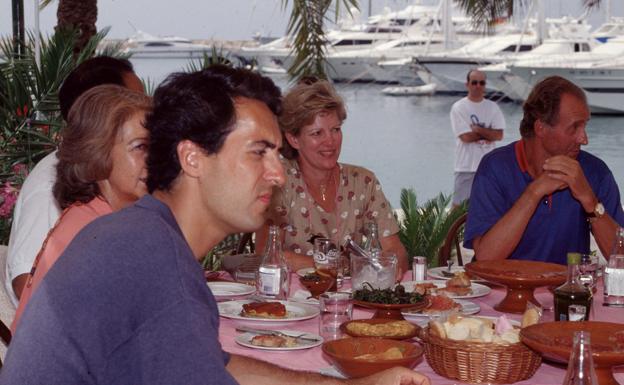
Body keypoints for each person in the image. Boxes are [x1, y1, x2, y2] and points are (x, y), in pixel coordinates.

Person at [0, 66, 430, 385]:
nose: (278, 174)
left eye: (277, 154)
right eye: (258, 152)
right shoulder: (149, 259)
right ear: (192, 159)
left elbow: (215, 364)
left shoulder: (146, 237)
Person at [11, 85, 151, 332]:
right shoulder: (98, 234)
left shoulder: (95, 215)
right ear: (98, 153)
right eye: (140, 147)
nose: (154, 158)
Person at [464, 76, 624, 264]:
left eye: (585, 125)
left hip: (567, 291)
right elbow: (486, 258)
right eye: (574, 127)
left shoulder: (595, 171)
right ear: (541, 128)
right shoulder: (495, 167)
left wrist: (590, 201)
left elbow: (621, 258)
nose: (584, 139)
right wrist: (533, 193)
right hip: (503, 291)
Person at [257, 80, 408, 274]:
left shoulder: (363, 182)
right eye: (317, 133)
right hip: (292, 301)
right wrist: (331, 266)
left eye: (335, 130)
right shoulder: (280, 183)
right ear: (293, 139)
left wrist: (389, 271)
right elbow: (266, 253)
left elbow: (396, 250)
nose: (330, 141)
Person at [450, 69, 505, 206]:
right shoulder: (459, 107)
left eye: (481, 83)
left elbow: (499, 135)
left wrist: (478, 129)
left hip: (487, 167)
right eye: (474, 82)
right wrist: (488, 133)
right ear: (467, 84)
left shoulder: (493, 107)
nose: (478, 86)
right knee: (458, 208)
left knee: (486, 205)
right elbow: (465, 137)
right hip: (465, 166)